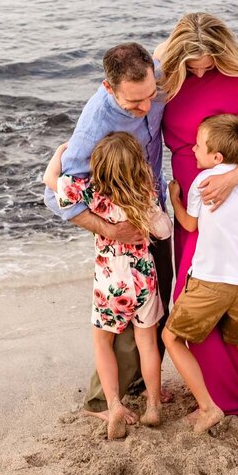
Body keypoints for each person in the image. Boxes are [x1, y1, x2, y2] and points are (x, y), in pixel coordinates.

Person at [156, 13, 238, 417]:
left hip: (228, 202)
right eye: (192, 61)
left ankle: (235, 399)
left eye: (207, 59)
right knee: (192, 294)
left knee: (225, 287)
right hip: (189, 203)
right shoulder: (166, 84)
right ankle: (211, 396)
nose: (200, 68)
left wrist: (231, 181)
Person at [42, 42, 173, 419]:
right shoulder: (94, 127)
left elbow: (59, 187)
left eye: (152, 95)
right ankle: (110, 401)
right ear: (108, 88)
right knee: (141, 331)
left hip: (113, 273)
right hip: (132, 236)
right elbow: (54, 200)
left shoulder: (156, 74)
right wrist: (112, 230)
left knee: (113, 332)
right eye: (134, 104)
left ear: (153, 73)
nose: (147, 107)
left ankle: (123, 398)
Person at [165, 114, 238, 433]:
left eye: (198, 146)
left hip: (210, 281)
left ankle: (207, 406)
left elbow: (190, 225)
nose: (193, 150)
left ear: (216, 157)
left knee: (170, 337)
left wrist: (174, 199)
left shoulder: (203, 182)